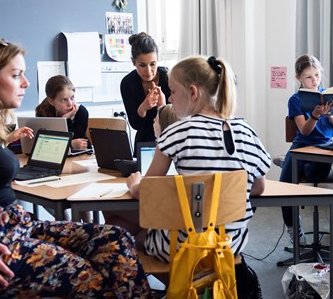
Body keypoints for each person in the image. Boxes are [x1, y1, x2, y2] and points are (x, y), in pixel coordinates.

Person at [0, 37, 155, 299]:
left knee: (117, 239)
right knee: (96, 278)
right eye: (16, 75)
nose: (25, 83)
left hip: (17, 228)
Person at [126, 55, 271, 262]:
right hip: (229, 244)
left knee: (120, 223)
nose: (170, 99)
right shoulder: (246, 131)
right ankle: (197, 286)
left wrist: (134, 184)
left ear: (192, 92)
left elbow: (148, 192)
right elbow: (258, 188)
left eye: (173, 92)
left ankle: (180, 287)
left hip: (185, 245)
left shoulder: (177, 132)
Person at [279, 54, 333, 245]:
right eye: (308, 77)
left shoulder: (328, 96)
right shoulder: (295, 100)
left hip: (324, 149)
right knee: (284, 186)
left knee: (314, 173)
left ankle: (301, 168)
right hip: (301, 147)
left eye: (317, 75)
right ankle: (293, 228)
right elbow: (304, 130)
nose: (314, 80)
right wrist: (314, 116)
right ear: (298, 78)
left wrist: (332, 116)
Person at [103, 104, 179, 233]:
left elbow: (144, 189)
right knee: (114, 223)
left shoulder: (164, 147)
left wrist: (134, 184)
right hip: (175, 217)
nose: (153, 121)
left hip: (165, 217)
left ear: (163, 125)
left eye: (156, 119)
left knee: (108, 208)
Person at [120, 32, 170, 149]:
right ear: (133, 62)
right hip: (144, 144)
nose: (148, 71)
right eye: (142, 65)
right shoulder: (128, 83)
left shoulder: (168, 78)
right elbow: (135, 125)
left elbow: (177, 119)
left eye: (153, 64)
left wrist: (162, 107)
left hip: (169, 141)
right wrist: (144, 107)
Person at [35, 75, 90, 151]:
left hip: (79, 155)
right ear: (51, 101)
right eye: (64, 100)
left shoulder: (81, 112)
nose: (70, 104)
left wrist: (66, 119)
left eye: (72, 97)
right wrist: (70, 143)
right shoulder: (43, 111)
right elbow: (44, 143)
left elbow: (78, 140)